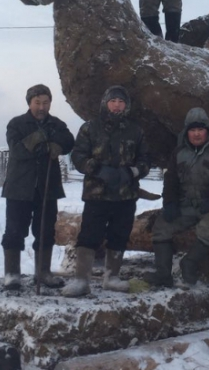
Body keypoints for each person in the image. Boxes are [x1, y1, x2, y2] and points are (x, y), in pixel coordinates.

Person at [63, 86, 151, 297]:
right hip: (97, 193)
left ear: (126, 105)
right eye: (113, 101)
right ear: (105, 103)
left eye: (121, 102)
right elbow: (78, 156)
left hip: (126, 194)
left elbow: (146, 160)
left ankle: (112, 277)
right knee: (89, 235)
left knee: (120, 234)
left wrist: (131, 172)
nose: (117, 105)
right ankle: (81, 280)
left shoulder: (135, 130)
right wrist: (99, 170)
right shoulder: (90, 128)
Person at [0, 84, 75, 290]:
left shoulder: (56, 124)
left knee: (45, 232)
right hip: (19, 189)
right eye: (37, 103)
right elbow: (18, 150)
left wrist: (57, 145)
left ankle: (43, 273)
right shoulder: (16, 124)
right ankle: (12, 274)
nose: (42, 107)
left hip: (47, 188)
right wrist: (41, 138)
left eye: (46, 103)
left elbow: (69, 141)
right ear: (29, 103)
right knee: (15, 231)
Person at [149, 107, 209, 287]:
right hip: (185, 205)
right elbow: (170, 181)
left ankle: (190, 263)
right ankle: (163, 273)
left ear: (208, 131)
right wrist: (169, 203)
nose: (196, 134)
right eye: (192, 130)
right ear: (186, 132)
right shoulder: (178, 152)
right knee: (161, 227)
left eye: (200, 130)